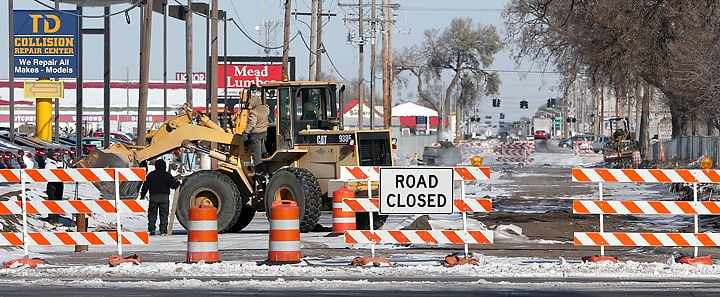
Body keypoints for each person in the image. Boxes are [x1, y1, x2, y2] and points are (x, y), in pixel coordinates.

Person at [140, 159, 180, 235]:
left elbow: (145, 186)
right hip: (164, 197)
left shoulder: (151, 175)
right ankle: (163, 230)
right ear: (164, 166)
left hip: (154, 197)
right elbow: (173, 185)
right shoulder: (167, 175)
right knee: (164, 214)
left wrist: (142, 195)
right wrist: (177, 183)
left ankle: (151, 229)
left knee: (152, 214)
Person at [242, 95, 270, 176]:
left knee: (256, 154)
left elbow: (252, 124)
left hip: (256, 134)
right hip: (264, 132)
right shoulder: (266, 109)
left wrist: (246, 132)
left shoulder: (254, 112)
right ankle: (266, 157)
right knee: (262, 149)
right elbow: (268, 112)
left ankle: (259, 171)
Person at [45, 150, 64, 224]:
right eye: (54, 155)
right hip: (53, 184)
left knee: (58, 200)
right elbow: (52, 174)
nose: (57, 156)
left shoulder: (57, 162)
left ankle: (56, 216)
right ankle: (52, 218)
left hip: (59, 183)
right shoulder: (49, 164)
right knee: (53, 199)